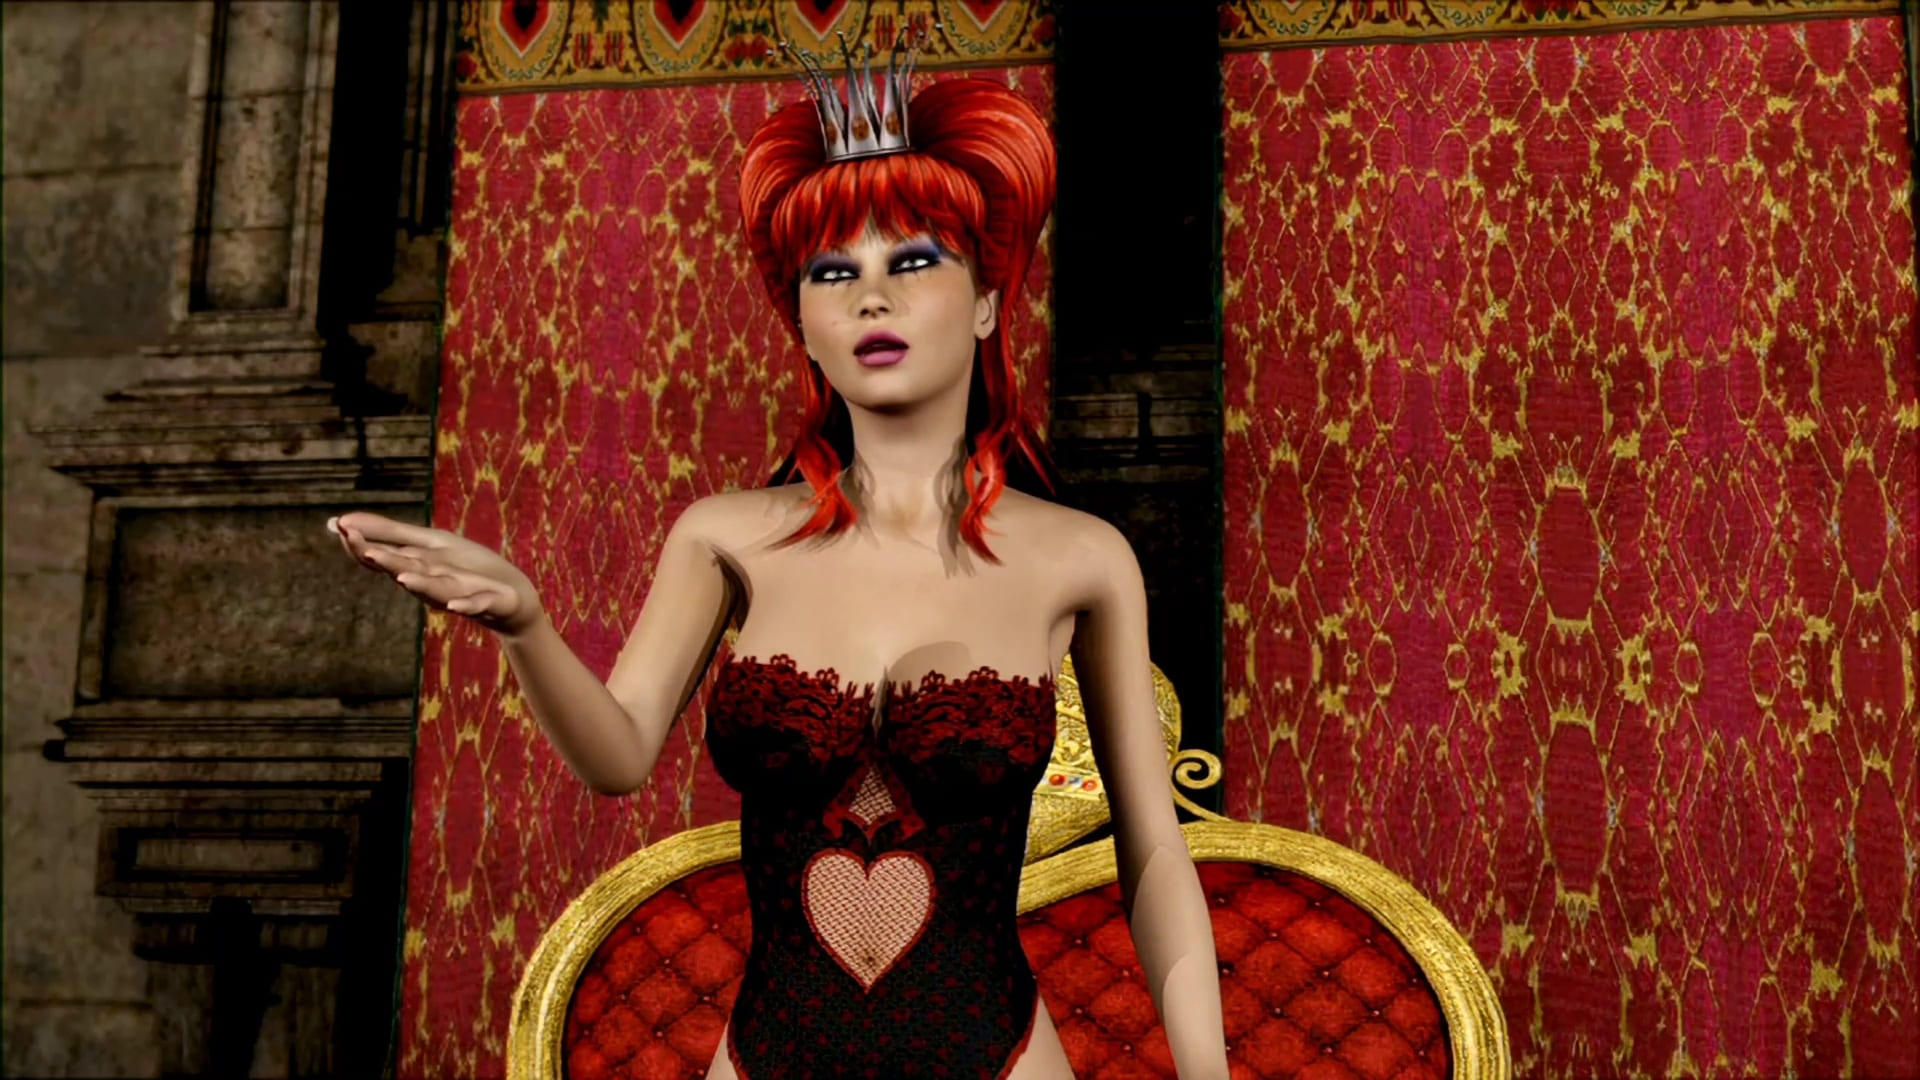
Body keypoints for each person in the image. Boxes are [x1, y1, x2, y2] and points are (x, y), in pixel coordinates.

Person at [330, 35, 1227, 1080]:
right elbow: (617, 759)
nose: (871, 298)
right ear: (802, 323)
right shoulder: (724, 538)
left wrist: (1206, 1075)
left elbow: (1152, 851)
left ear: (987, 299)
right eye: (833, 273)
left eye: (913, 261)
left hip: (1003, 1055)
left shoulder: (1080, 556)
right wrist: (525, 622)